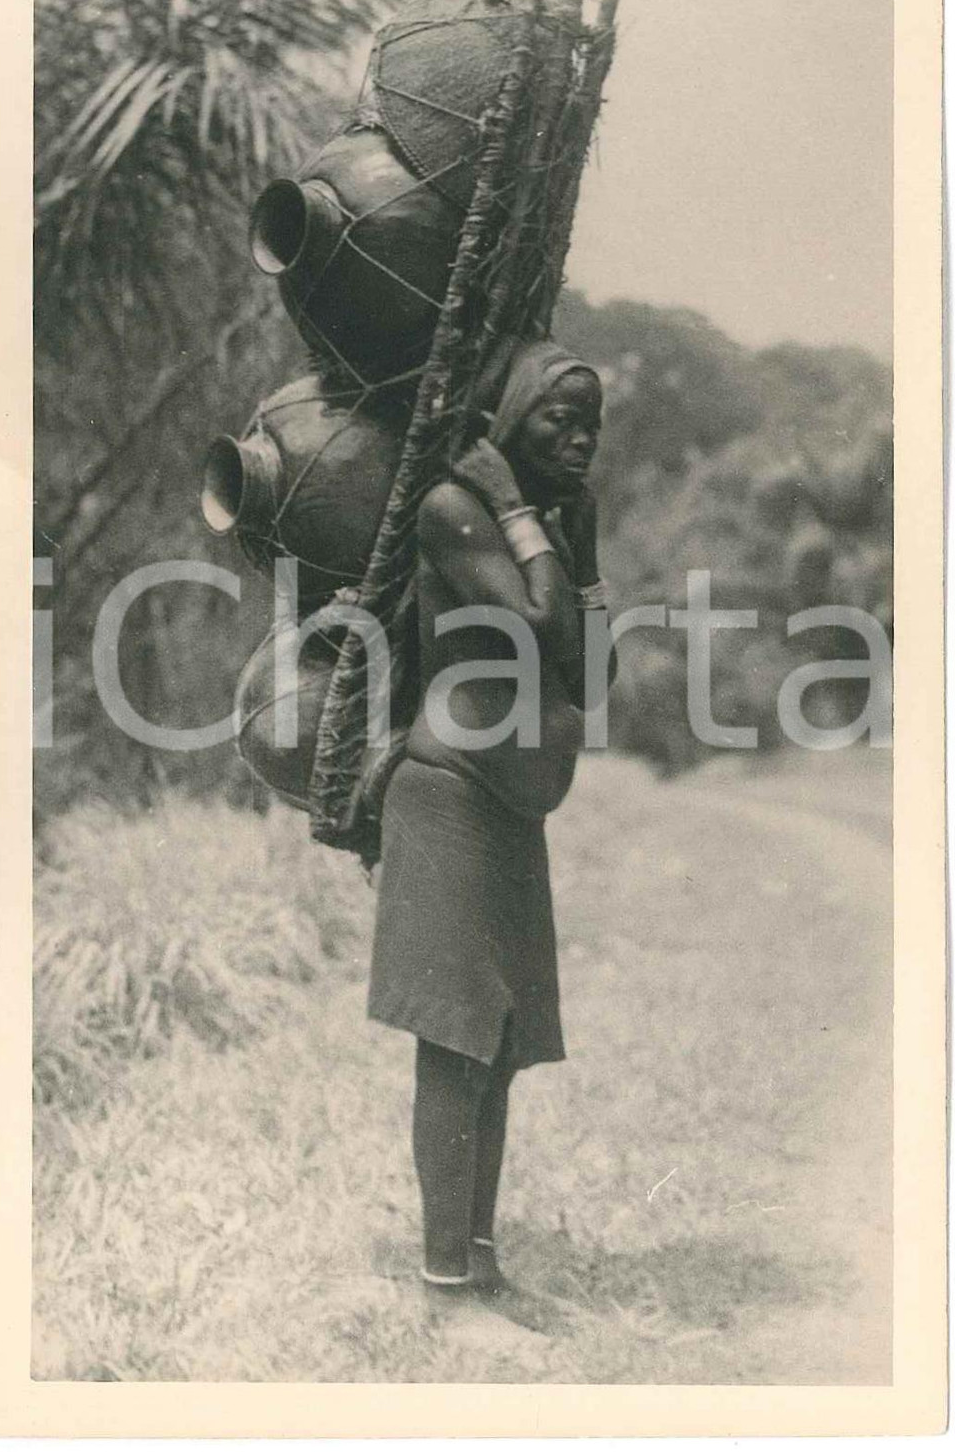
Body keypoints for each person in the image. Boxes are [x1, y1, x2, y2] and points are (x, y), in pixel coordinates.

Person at [367, 337, 617, 1320]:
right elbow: (540, 627)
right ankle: (441, 1284)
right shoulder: (452, 509)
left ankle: (478, 1263)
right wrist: (519, 509)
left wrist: (580, 542)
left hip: (513, 802)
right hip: (450, 790)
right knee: (454, 1032)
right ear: (508, 424)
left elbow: (590, 675)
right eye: (561, 415)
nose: (583, 436)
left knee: (502, 1036)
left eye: (593, 419)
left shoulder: (540, 530)